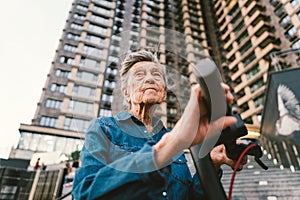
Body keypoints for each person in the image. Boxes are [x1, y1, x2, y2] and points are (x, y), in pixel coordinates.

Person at [72, 50, 247, 199]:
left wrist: (213, 162)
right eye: (140, 75)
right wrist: (164, 149)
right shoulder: (104, 128)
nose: (150, 79)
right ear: (126, 93)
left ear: (163, 91)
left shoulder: (172, 139)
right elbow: (85, 194)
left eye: (156, 75)